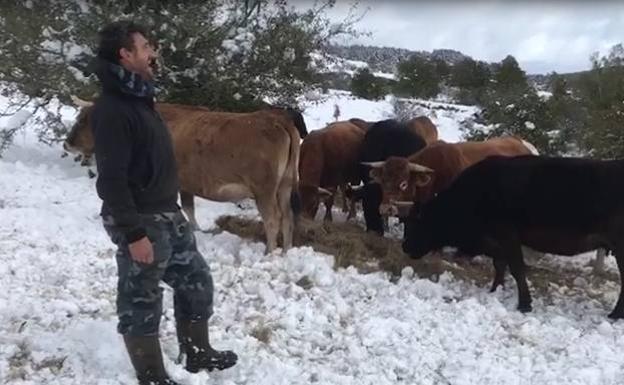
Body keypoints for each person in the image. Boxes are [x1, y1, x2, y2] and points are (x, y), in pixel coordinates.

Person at [91, 20, 237, 385]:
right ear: (125, 55)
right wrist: (133, 233)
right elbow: (111, 180)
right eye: (144, 47)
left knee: (197, 281)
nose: (152, 52)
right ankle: (151, 375)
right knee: (141, 298)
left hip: (166, 211)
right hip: (140, 218)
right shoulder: (113, 109)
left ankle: (196, 352)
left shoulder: (139, 97)